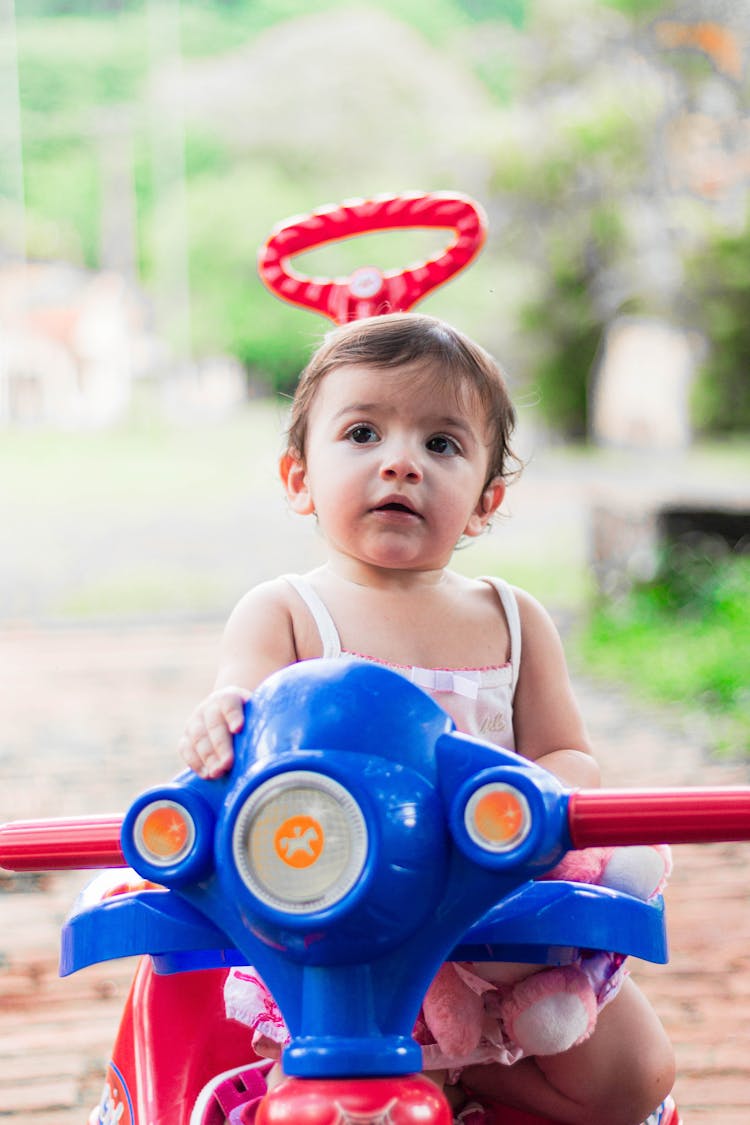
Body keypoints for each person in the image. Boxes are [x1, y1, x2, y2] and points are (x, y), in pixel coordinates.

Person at [179, 312, 675, 1125]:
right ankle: (416, 1076)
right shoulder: (286, 612)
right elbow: (239, 708)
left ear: (486, 500)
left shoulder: (515, 618)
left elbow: (567, 752)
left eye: (441, 445)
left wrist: (536, 799)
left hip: (502, 918)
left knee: (637, 1078)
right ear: (299, 476)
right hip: (348, 924)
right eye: (364, 432)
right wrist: (218, 722)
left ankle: (478, 1077)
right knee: (333, 1103)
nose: (401, 463)